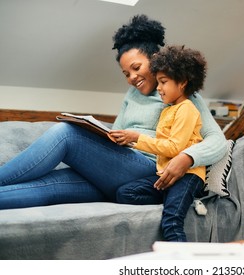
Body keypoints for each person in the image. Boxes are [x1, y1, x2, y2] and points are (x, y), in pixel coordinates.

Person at [0, 14, 227, 209]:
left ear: (155, 60)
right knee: (47, 187)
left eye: (136, 68)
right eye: (126, 74)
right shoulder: (132, 96)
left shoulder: (181, 95)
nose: (132, 78)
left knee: (65, 133)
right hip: (117, 171)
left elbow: (217, 140)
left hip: (148, 167)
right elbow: (117, 131)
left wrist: (187, 157)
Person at [115, 45, 207, 241]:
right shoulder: (167, 110)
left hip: (187, 176)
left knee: (171, 222)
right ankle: (173, 199)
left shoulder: (186, 109)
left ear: (182, 82)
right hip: (165, 174)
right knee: (125, 193)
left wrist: (136, 138)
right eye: (157, 82)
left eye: (163, 82)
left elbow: (175, 148)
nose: (158, 88)